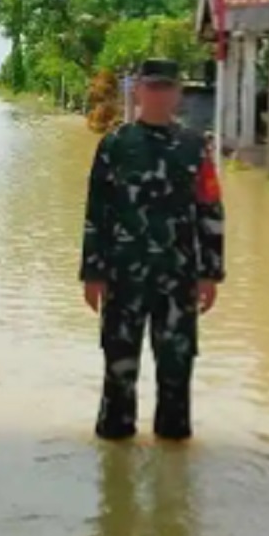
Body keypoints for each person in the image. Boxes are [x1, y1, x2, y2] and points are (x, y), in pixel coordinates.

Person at [79, 59, 225, 441]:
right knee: (118, 374)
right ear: (138, 91)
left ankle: (173, 464)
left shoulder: (195, 148)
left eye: (166, 87)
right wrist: (92, 274)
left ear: (178, 94)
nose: (159, 95)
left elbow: (210, 210)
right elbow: (97, 212)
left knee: (176, 373)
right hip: (122, 278)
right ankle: (115, 463)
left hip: (178, 278)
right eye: (152, 87)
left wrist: (210, 274)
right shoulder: (114, 145)